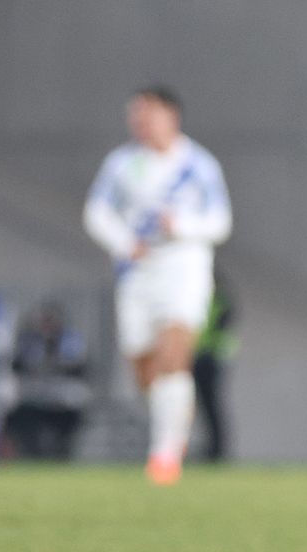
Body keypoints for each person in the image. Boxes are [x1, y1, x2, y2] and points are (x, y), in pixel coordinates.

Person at [83, 86, 231, 485]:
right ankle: (174, 421)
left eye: (147, 114)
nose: (140, 122)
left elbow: (221, 222)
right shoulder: (122, 163)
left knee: (173, 351)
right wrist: (122, 243)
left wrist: (180, 226)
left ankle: (165, 454)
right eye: (135, 115)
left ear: (171, 116)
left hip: (183, 267)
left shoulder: (198, 165)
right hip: (138, 272)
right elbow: (96, 211)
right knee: (144, 367)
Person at [3, 301, 91, 460]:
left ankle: (61, 449)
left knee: (71, 408)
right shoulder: (29, 339)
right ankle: (30, 451)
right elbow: (18, 364)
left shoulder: (69, 339)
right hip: (33, 393)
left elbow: (79, 365)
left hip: (62, 393)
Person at [191, 267, 237, 462]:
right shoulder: (199, 301)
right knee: (204, 405)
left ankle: (217, 449)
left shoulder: (219, 302)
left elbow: (218, 330)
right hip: (198, 356)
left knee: (212, 404)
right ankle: (211, 448)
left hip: (212, 358)